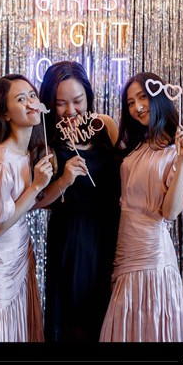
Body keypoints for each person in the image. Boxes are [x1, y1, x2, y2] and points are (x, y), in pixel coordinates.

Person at [99, 72, 183, 342]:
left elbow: (170, 212)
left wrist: (182, 160)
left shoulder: (180, 152)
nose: (137, 107)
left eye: (142, 97)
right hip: (124, 248)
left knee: (150, 324)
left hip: (152, 254)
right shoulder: (137, 146)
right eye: (130, 103)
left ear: (158, 97)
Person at [35, 61, 121, 342]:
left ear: (88, 96)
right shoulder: (46, 141)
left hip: (113, 231)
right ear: (49, 103)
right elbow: (37, 201)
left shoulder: (105, 126)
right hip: (72, 238)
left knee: (111, 315)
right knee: (76, 320)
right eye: (61, 103)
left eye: (77, 101)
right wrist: (63, 180)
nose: (70, 110)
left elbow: (129, 170)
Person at [0, 74, 54, 342]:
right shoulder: (0, 164)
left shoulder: (27, 153)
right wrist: (36, 186)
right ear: (4, 114)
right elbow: (0, 225)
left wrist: (62, 181)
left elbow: (26, 206)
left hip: (19, 256)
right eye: (21, 99)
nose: (31, 103)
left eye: (32, 95)